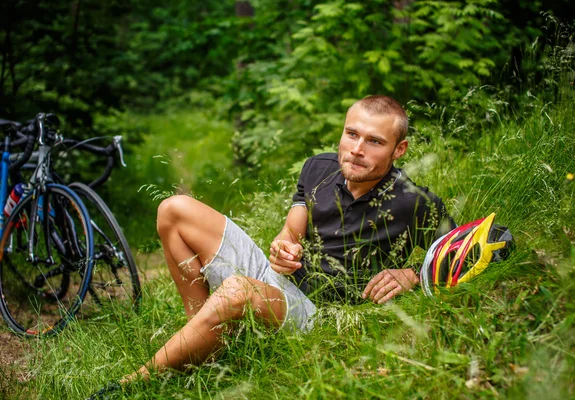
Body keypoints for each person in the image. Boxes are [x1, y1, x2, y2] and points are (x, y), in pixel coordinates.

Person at [88, 95, 453, 398]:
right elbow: (290, 230)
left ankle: (131, 384)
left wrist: (412, 274)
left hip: (319, 314)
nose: (356, 150)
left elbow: (486, 243)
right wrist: (283, 246)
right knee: (173, 209)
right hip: (279, 280)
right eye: (351, 134)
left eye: (374, 141)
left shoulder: (412, 201)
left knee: (236, 291)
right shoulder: (317, 168)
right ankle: (200, 337)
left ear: (399, 149)